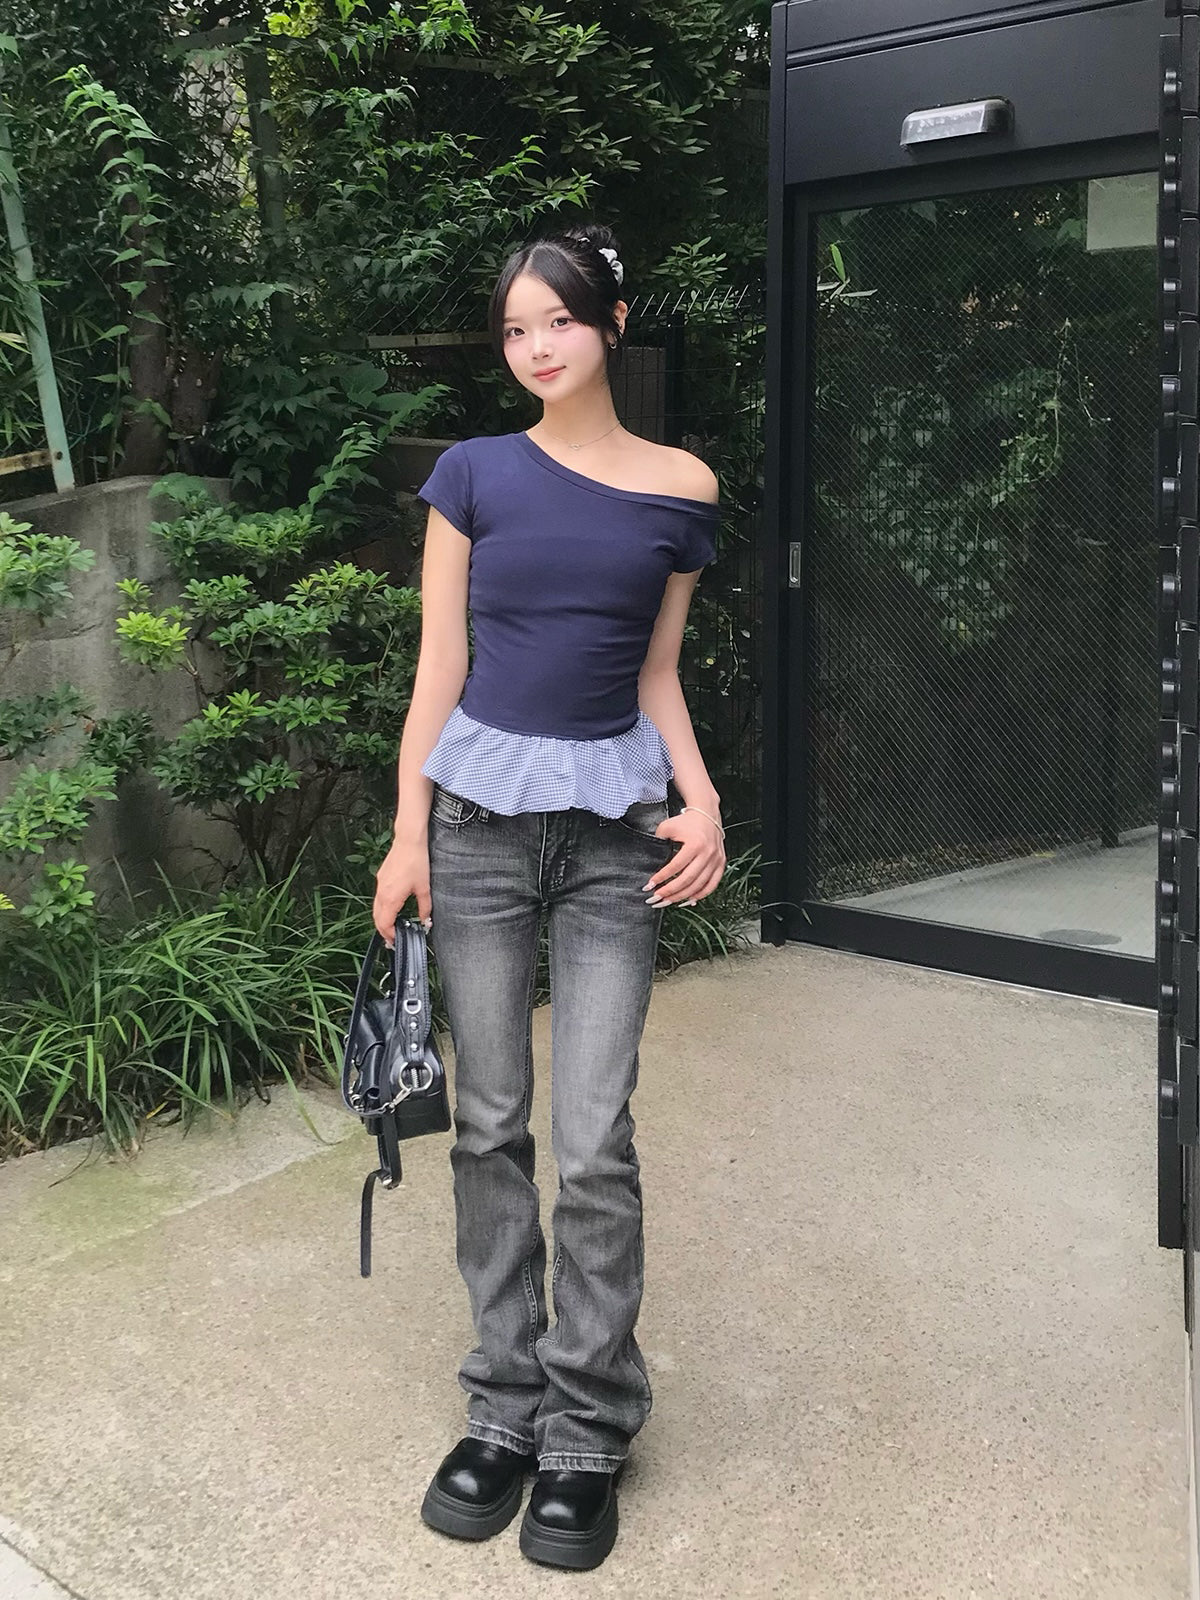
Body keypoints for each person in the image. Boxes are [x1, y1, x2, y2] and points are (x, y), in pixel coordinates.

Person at [372, 221, 727, 1571]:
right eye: (515, 329)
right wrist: (406, 836)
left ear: (613, 323)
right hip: (474, 832)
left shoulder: (681, 488)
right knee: (487, 1126)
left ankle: (587, 1426)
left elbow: (656, 674)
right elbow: (439, 665)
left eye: (558, 321)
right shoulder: (472, 475)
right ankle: (504, 1404)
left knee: (594, 1140)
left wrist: (704, 801)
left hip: (611, 846)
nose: (535, 347)